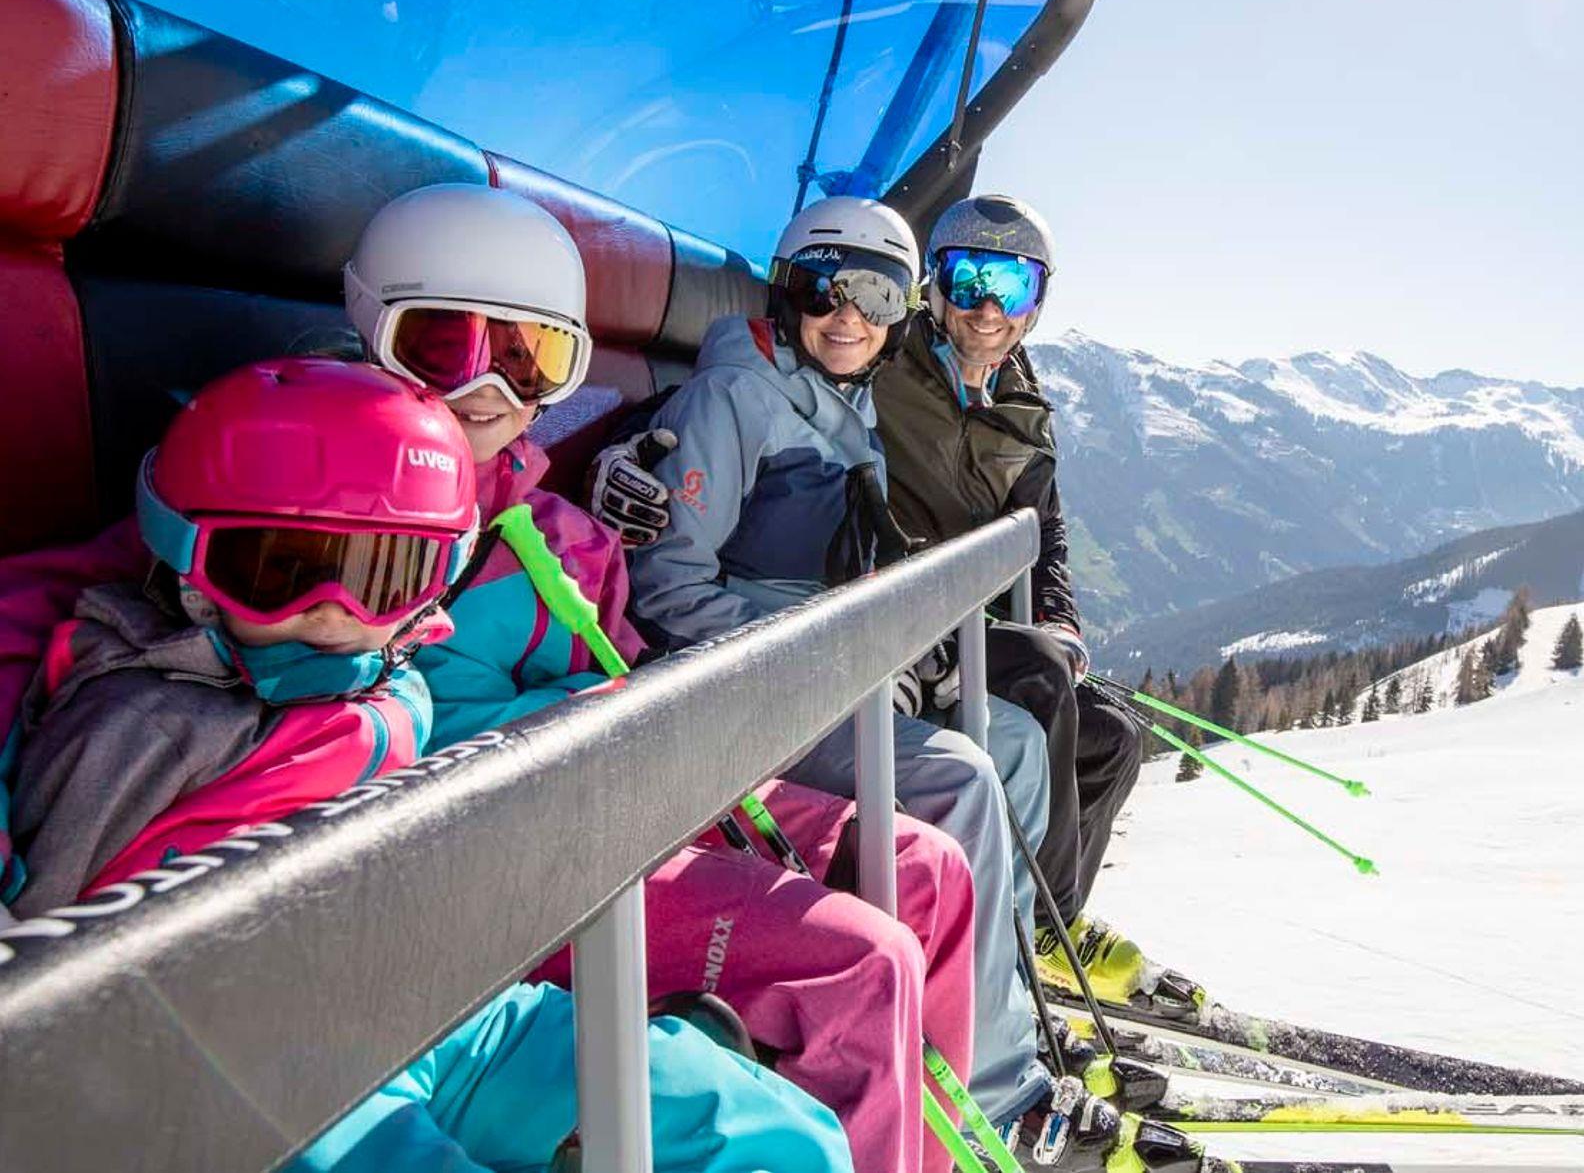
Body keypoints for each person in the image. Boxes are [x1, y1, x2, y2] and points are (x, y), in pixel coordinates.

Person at [3, 357, 850, 1173]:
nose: (332, 614)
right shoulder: (148, 722)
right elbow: (59, 932)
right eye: (277, 571)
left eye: (383, 576)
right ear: (187, 564)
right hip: (253, 1048)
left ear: (436, 582)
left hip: (438, 1009)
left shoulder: (397, 675)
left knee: (778, 1135)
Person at [342, 183, 976, 1173]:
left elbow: (632, 647)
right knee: (862, 956)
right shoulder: (336, 509)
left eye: (529, 358)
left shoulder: (563, 532)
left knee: (928, 868)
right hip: (515, 846)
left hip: (623, 791)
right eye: (444, 346)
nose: (489, 385)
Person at [621, 197, 1130, 1165]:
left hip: (831, 669)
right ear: (788, 289)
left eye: (876, 295)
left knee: (1019, 742)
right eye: (827, 289)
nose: (850, 315)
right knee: (965, 776)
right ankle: (995, 1090)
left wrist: (891, 642)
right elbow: (667, 587)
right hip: (751, 696)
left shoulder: (841, 394)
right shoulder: (734, 398)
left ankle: (999, 1004)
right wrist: (828, 652)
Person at [869, 194, 1149, 1002]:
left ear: (1036, 301)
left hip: (972, 621)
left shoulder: (1023, 409)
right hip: (906, 624)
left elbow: (1043, 534)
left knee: (1114, 736)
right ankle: (1038, 926)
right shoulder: (888, 364)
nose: (987, 308)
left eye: (1011, 285)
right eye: (968, 279)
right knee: (1038, 677)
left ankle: (1052, 921)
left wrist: (1059, 618)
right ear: (933, 284)